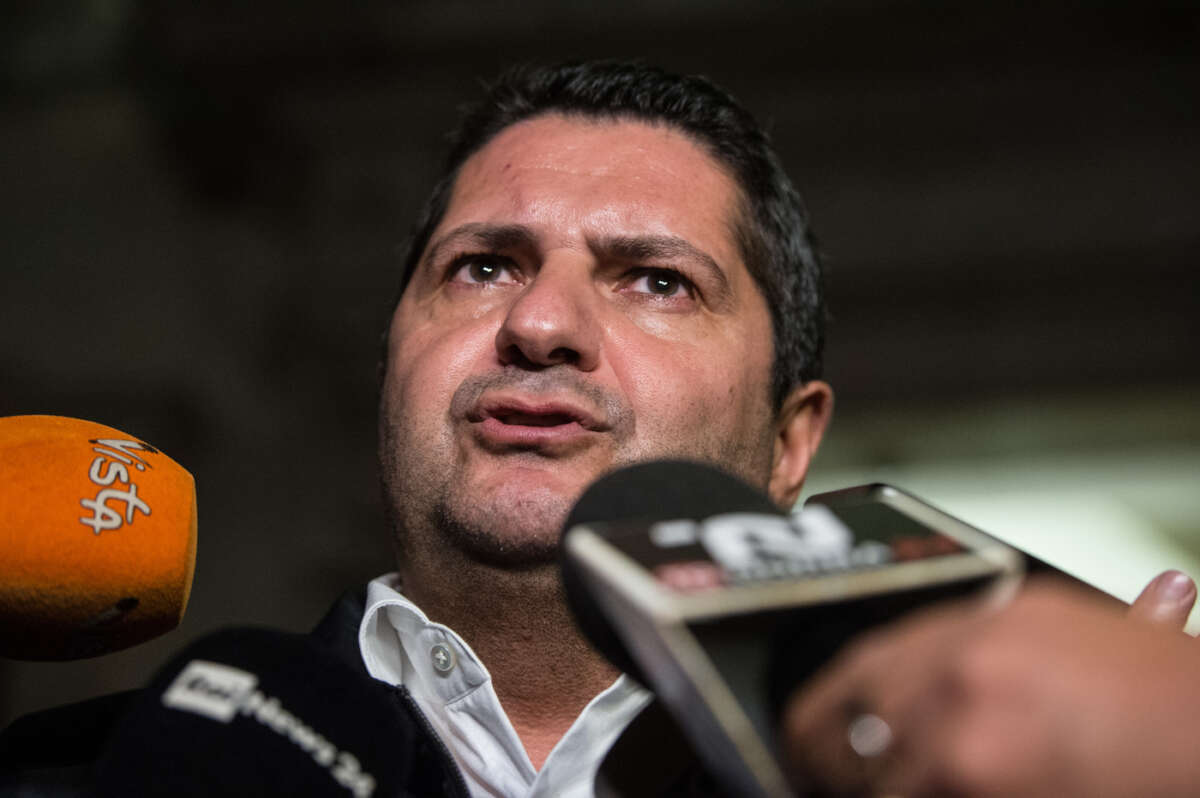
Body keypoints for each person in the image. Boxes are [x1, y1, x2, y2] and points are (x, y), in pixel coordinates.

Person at [2, 60, 1198, 797]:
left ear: (791, 443)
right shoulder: (82, 775)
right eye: (481, 266)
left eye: (656, 281)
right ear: (389, 369)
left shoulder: (952, 782)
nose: (539, 324)